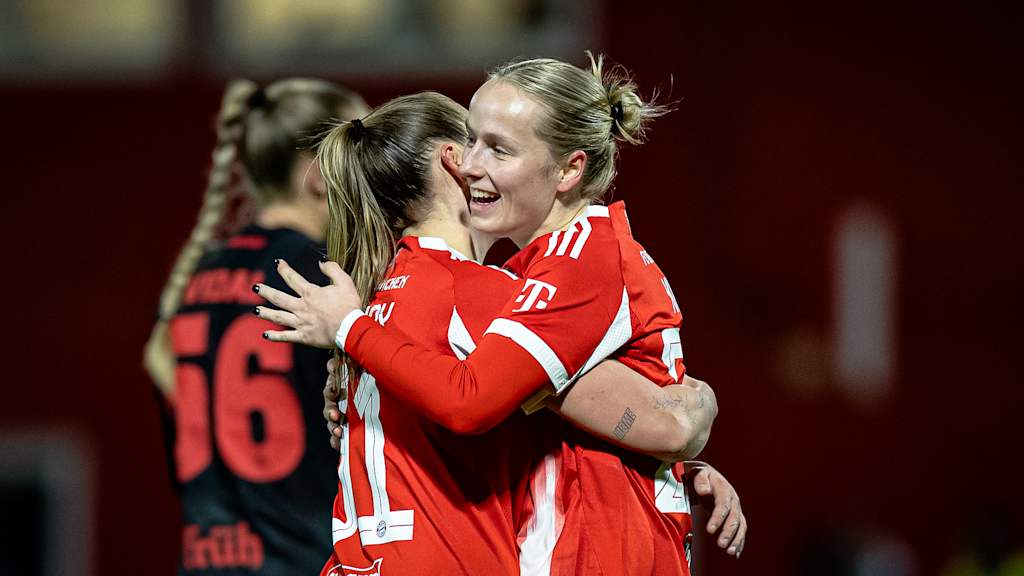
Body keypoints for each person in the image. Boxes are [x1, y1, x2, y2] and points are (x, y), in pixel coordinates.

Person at [257, 73, 744, 573]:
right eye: (470, 142)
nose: (473, 163)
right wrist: (695, 411)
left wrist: (672, 468)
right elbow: (669, 423)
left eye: (495, 148)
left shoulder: (384, 292)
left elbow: (532, 411)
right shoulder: (483, 292)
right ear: (449, 161)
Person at [143, 78, 369, 575]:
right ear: (317, 174)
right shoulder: (320, 278)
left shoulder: (197, 277)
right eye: (360, 152)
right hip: (304, 559)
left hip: (205, 562)